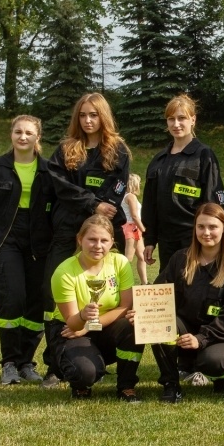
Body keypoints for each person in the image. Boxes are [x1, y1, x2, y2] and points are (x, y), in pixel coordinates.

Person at [42, 92, 131, 388]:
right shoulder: (66, 149)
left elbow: (117, 187)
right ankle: (55, 363)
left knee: (105, 295)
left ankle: (95, 351)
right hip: (67, 229)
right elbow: (60, 186)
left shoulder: (118, 150)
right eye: (83, 115)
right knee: (57, 299)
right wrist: (91, 202)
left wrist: (100, 209)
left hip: (103, 231)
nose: (88, 120)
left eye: (94, 115)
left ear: (103, 116)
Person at [0, 115, 55, 385]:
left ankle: (27, 362)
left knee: (36, 305)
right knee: (12, 299)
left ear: (37, 137)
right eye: (18, 132)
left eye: (29, 132)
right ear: (11, 135)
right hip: (6, 242)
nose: (23, 137)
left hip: (39, 244)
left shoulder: (48, 169)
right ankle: (9, 363)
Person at [143, 203, 224, 403]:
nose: (206, 232)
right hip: (184, 330)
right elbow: (156, 294)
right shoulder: (180, 259)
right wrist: (141, 311)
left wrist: (201, 338)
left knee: (213, 362)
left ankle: (220, 378)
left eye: (213, 227)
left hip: (219, 336)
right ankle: (171, 384)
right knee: (157, 322)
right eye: (201, 227)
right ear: (195, 229)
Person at [47, 215, 144, 401]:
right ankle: (80, 383)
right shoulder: (64, 272)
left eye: (104, 240)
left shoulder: (120, 262)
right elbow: (73, 324)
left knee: (134, 323)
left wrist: (90, 325)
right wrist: (83, 316)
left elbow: (125, 306)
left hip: (101, 326)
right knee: (86, 373)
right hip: (71, 330)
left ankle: (126, 386)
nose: (98, 245)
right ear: (79, 239)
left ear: (112, 242)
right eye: (92, 239)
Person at [143, 94, 224, 273]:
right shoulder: (158, 160)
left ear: (193, 120)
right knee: (170, 290)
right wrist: (149, 240)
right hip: (166, 241)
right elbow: (150, 204)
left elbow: (214, 202)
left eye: (182, 118)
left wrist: (209, 235)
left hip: (195, 238)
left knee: (196, 288)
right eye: (171, 119)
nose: (176, 124)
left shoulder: (204, 155)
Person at [121, 174, 148, 285]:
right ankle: (122, 283)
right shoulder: (131, 197)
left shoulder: (124, 196)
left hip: (133, 228)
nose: (140, 185)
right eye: (138, 183)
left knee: (142, 256)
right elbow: (135, 216)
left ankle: (144, 283)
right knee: (128, 258)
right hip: (132, 227)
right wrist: (144, 229)